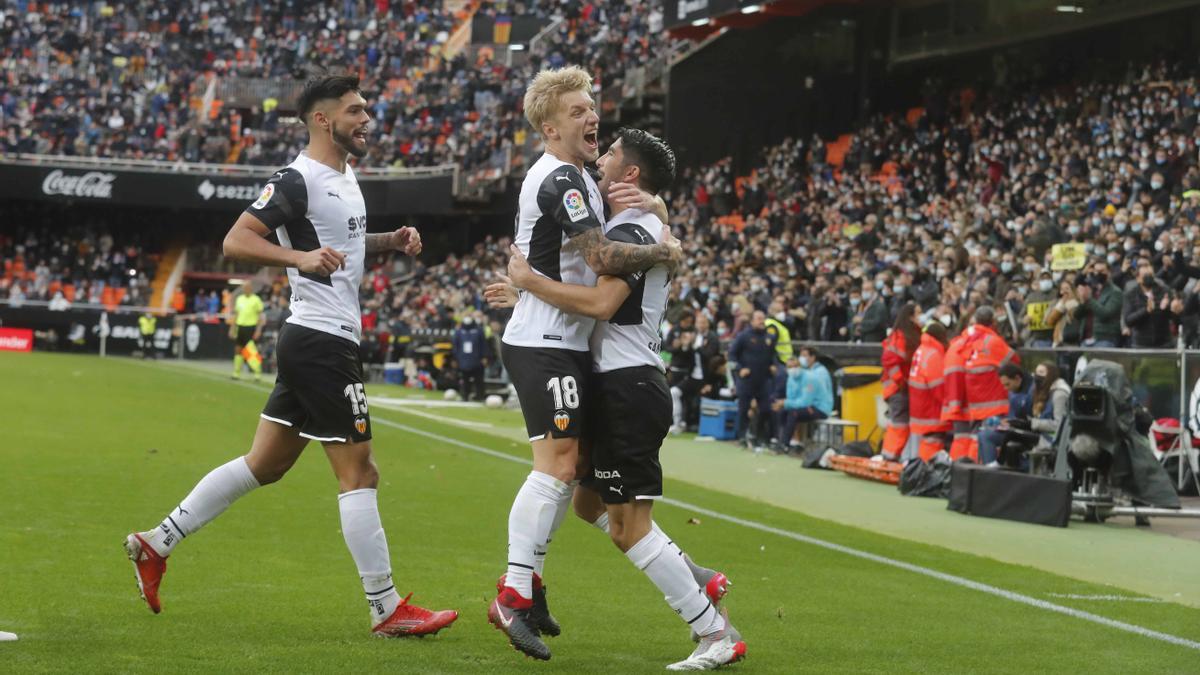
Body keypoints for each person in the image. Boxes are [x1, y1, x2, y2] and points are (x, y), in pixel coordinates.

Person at [124, 74, 458, 638]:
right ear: (324, 120)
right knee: (360, 472)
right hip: (322, 341)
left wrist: (389, 241)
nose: (367, 117)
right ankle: (385, 608)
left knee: (266, 464)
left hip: (318, 338)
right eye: (356, 110)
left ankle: (157, 544)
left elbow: (342, 243)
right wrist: (297, 259)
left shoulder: (346, 176)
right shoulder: (297, 177)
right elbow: (237, 240)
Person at [486, 127, 744, 670]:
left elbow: (603, 303)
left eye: (609, 157)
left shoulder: (630, 228)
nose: (599, 161)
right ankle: (696, 576)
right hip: (617, 381)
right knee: (586, 500)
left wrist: (530, 283)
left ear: (629, 175)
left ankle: (714, 631)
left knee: (628, 527)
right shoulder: (638, 220)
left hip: (629, 385)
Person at [491, 67, 682, 661]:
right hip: (547, 338)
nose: (591, 116)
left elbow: (609, 223)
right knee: (558, 465)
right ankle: (513, 593)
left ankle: (533, 585)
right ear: (549, 126)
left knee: (571, 475)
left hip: (560, 337)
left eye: (592, 107)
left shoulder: (577, 179)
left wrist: (657, 207)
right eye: (577, 111)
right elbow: (600, 253)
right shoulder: (564, 179)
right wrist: (665, 251)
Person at [728, 310, 778, 447]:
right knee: (743, 409)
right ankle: (742, 436)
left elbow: (774, 356)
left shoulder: (769, 337)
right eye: (758, 319)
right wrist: (739, 368)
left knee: (766, 409)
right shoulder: (743, 336)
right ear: (752, 321)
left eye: (763, 318)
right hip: (747, 379)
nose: (761, 321)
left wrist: (774, 365)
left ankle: (759, 437)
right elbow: (732, 355)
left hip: (764, 379)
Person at [878, 303, 920, 461]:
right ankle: (890, 457)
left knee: (900, 424)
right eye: (918, 313)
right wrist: (900, 381)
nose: (920, 317)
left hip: (905, 388)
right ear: (910, 316)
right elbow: (890, 360)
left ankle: (892, 456)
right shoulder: (900, 336)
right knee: (899, 425)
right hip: (899, 389)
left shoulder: (910, 335)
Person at [772, 347, 833, 451]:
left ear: (800, 367)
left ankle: (785, 445)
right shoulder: (790, 378)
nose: (792, 369)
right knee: (782, 411)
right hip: (806, 406)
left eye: (795, 366)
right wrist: (783, 404)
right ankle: (780, 440)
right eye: (789, 367)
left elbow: (805, 402)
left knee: (793, 413)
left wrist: (785, 403)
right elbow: (791, 398)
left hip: (820, 408)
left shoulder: (810, 378)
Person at [907, 321, 951, 460]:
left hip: (919, 404)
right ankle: (927, 470)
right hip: (931, 408)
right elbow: (939, 388)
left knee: (927, 440)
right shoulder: (933, 355)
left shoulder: (921, 350)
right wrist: (949, 406)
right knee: (933, 441)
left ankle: (923, 467)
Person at [977, 363, 1035, 465]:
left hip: (1027, 431)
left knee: (986, 436)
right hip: (1014, 428)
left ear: (1017, 378)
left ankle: (991, 474)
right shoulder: (1014, 391)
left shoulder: (1032, 391)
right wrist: (1003, 422)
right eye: (1003, 385)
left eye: (1007, 384)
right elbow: (1012, 414)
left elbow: (1031, 419)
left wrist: (1013, 422)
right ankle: (988, 468)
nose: (1005, 388)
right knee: (982, 433)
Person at [229, 280, 266, 381]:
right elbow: (236, 315)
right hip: (240, 327)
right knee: (238, 349)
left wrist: (258, 330)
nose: (245, 289)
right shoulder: (239, 299)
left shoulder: (256, 300)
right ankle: (236, 373)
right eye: (244, 288)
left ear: (251, 288)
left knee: (251, 351)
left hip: (251, 327)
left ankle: (257, 373)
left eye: (247, 287)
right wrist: (232, 328)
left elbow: (260, 316)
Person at [452, 314, 486, 401]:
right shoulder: (459, 332)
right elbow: (456, 346)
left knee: (478, 379)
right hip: (463, 359)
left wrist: (484, 357)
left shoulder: (479, 331)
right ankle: (465, 396)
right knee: (465, 379)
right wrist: (455, 358)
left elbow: (483, 345)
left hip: (477, 359)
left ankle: (480, 396)